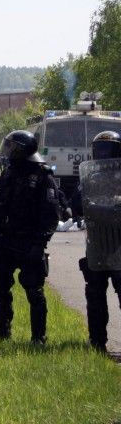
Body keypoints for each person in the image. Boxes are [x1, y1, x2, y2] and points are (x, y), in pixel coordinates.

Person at [0, 130, 60, 344]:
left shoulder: (42, 176)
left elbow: (51, 214)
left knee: (34, 291)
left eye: (12, 148)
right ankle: (2, 332)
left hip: (30, 243)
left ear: (22, 150)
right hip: (6, 241)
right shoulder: (8, 173)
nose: (8, 152)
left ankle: (38, 337)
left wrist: (40, 243)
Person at [74, 131, 121, 352]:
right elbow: (75, 205)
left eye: (107, 149)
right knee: (94, 296)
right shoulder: (90, 178)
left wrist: (97, 208)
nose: (102, 154)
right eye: (99, 149)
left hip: (119, 246)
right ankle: (97, 342)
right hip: (96, 245)